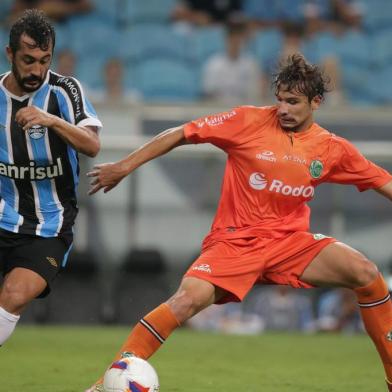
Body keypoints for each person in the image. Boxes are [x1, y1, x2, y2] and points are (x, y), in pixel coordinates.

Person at [86, 53, 392, 391]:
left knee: (366, 273)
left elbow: (384, 183)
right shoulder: (248, 121)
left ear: (316, 102)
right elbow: (180, 133)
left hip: (290, 244)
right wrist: (124, 166)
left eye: (293, 102)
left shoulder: (332, 149)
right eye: (280, 101)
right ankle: (104, 384)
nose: (284, 109)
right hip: (235, 243)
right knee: (184, 302)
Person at [0, 9, 101, 347]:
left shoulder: (64, 90)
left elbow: (92, 144)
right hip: (3, 218)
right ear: (10, 54)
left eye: (45, 60)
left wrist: (52, 121)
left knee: (14, 295)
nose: (37, 70)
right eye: (28, 60)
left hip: (50, 228)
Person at [202, 19, 264, 104]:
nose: (235, 43)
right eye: (231, 39)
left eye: (238, 39)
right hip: (219, 111)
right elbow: (208, 94)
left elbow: (255, 94)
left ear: (242, 41)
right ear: (226, 40)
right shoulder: (213, 63)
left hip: (243, 111)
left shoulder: (251, 64)